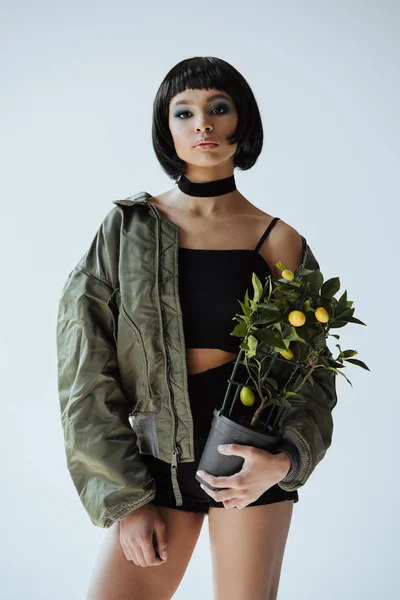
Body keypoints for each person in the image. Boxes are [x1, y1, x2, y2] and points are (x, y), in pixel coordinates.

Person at [56, 56, 337, 600]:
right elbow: (84, 368)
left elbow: (313, 375)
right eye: (183, 112)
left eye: (219, 108)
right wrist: (125, 499)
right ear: (167, 129)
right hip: (156, 463)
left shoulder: (278, 240)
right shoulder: (127, 229)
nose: (202, 124)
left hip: (248, 461)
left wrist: (282, 461)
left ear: (243, 122)